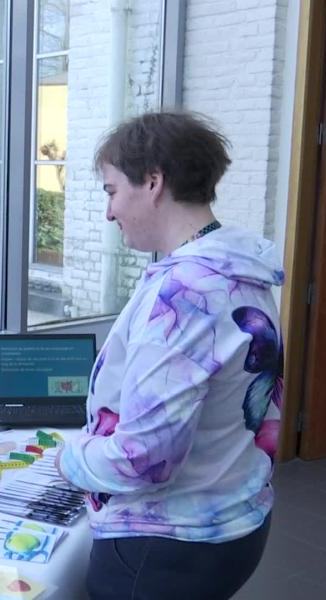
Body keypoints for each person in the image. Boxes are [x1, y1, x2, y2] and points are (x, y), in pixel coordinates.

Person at [56, 112, 284, 599]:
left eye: (112, 191)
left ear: (153, 182)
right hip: (233, 520)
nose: (109, 211)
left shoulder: (185, 293)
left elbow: (145, 461)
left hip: (163, 548)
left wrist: (67, 460)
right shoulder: (241, 271)